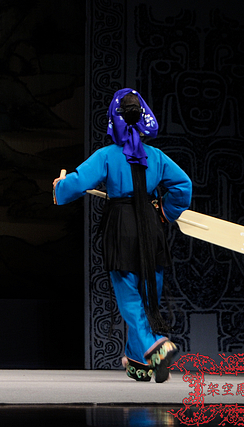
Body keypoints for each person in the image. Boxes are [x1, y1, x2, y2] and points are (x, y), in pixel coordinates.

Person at [53, 88, 192, 383]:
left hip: (122, 226)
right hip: (151, 226)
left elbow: (78, 182)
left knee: (129, 296)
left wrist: (59, 187)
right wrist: (165, 210)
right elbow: (183, 185)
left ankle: (156, 345)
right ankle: (139, 361)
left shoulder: (107, 155)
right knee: (147, 294)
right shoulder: (156, 156)